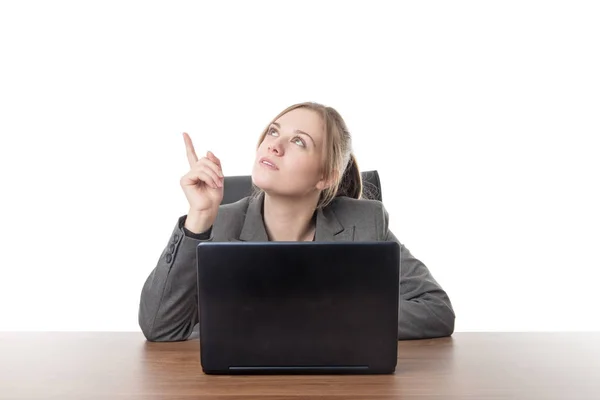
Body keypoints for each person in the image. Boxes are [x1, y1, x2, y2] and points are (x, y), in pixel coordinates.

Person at [138, 102, 455, 342]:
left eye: (299, 141)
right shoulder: (216, 225)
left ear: (326, 176)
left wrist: (324, 318)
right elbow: (160, 326)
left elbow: (435, 309)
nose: (274, 145)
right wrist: (199, 217)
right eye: (274, 132)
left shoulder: (365, 223)